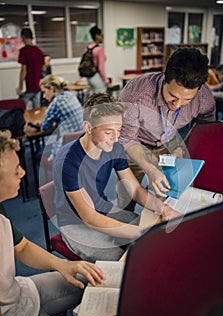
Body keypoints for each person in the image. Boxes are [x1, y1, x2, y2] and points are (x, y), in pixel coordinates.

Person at [0, 129, 115, 316]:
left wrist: (64, 265)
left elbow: (22, 247)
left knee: (95, 280)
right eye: (15, 171)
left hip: (20, 292)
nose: (23, 173)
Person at [52, 93, 181, 262]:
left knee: (157, 236)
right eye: (108, 131)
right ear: (89, 127)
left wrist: (163, 208)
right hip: (75, 223)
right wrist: (138, 232)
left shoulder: (114, 148)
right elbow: (89, 217)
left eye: (119, 130)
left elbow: (135, 190)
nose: (115, 137)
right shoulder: (67, 160)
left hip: (102, 209)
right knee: (119, 259)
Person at [118, 47, 216, 211]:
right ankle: (124, 227)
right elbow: (127, 138)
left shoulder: (204, 97)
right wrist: (149, 169)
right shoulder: (136, 94)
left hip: (170, 144)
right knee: (127, 195)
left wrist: (181, 147)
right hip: (136, 144)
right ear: (164, 78)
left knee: (168, 198)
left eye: (187, 99)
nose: (177, 105)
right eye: (173, 96)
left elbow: (205, 128)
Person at [27, 74, 84, 163]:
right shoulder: (70, 95)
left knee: (37, 155)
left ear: (52, 88)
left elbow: (44, 128)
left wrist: (41, 124)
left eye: (44, 92)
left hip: (65, 151)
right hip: (82, 146)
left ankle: (49, 175)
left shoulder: (55, 103)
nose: (44, 96)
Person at [17, 27, 44, 110]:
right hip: (38, 85)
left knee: (20, 109)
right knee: (37, 111)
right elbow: (43, 68)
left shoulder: (24, 51)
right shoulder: (39, 51)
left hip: (29, 86)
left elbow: (23, 70)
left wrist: (20, 85)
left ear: (23, 37)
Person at [86, 25, 112, 93]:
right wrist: (107, 81)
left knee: (93, 97)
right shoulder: (99, 49)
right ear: (97, 36)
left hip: (90, 78)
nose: (102, 37)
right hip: (97, 77)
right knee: (101, 99)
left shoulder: (89, 48)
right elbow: (101, 68)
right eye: (101, 35)